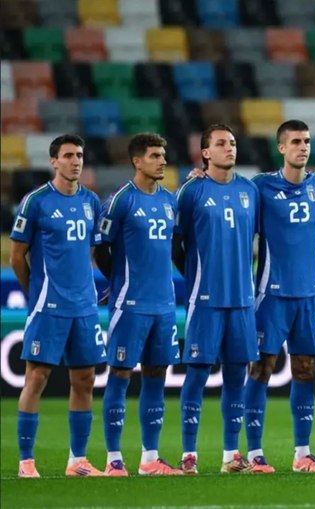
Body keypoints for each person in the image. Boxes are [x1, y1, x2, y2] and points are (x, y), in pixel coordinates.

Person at [11, 134, 107, 477]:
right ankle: (26, 462)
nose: (75, 161)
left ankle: (77, 461)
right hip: (48, 306)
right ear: (54, 161)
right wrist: (35, 293)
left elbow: (91, 251)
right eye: (68, 155)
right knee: (36, 377)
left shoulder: (91, 201)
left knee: (85, 379)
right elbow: (17, 256)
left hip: (84, 307)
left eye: (79, 155)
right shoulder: (36, 201)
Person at [242, 120, 315, 474]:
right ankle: (254, 454)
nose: (303, 147)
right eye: (295, 141)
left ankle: (302, 454)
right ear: (281, 148)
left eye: (306, 141)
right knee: (260, 369)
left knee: (306, 371)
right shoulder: (261, 186)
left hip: (308, 295)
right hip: (271, 295)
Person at [94, 133, 183, 476]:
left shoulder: (170, 200)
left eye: (163, 155)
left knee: (156, 375)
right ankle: (113, 458)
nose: (163, 161)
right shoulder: (120, 201)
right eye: (155, 156)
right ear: (137, 161)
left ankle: (150, 458)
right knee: (119, 374)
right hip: (130, 303)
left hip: (164, 304)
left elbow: (175, 248)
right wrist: (117, 281)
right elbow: (101, 248)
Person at [172, 123, 259, 474]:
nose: (230, 148)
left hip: (241, 300)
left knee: (237, 377)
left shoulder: (250, 190)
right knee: (197, 375)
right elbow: (175, 243)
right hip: (205, 299)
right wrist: (196, 275)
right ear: (205, 153)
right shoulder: (191, 191)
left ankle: (231, 455)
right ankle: (188, 455)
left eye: (233, 142)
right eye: (221, 143)